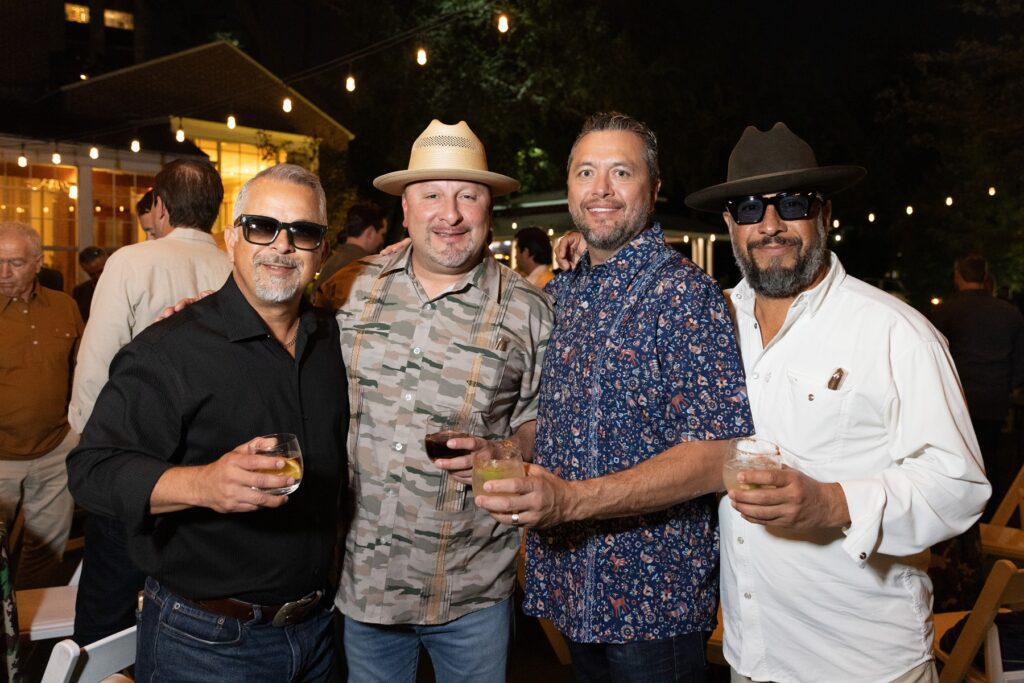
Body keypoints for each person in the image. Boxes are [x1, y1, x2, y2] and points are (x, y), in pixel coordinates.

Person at [683, 122, 990, 682]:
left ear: (824, 213)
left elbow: (959, 486)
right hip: (751, 656)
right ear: (729, 224)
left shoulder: (895, 332)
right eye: (749, 208)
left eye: (791, 203)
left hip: (862, 662)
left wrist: (834, 504)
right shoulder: (711, 325)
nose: (769, 225)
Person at [476, 112, 753, 681]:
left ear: (653, 187)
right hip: (574, 588)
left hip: (653, 607)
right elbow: (567, 417)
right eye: (586, 172)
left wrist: (571, 501)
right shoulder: (568, 289)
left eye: (621, 172)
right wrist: (506, 449)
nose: (600, 188)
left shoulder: (684, 294)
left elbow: (718, 457)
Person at [67, 164, 347, 681]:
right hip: (207, 643)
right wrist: (204, 485)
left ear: (322, 251)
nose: (282, 246)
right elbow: (92, 470)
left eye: (302, 232)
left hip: (318, 634)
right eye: (262, 227)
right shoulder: (170, 348)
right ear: (231, 239)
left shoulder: (334, 340)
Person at [329, 120, 553, 682]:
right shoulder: (347, 290)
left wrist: (505, 449)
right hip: (366, 585)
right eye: (431, 195)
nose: (449, 214)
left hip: (471, 589)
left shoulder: (529, 310)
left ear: (489, 210)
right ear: (405, 210)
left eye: (467, 196)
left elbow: (544, 420)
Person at [68, 158, 231, 645]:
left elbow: (97, 363)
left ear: (159, 205)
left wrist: (90, 447)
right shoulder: (234, 267)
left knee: (106, 610)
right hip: (209, 466)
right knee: (185, 606)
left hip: (136, 460)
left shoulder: (131, 262)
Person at [0, 222, 83, 589]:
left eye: (15, 262)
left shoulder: (64, 306)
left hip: (55, 450)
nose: (4, 272)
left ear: (37, 262)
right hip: (1, 456)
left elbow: (82, 369)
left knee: (47, 552)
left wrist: (77, 430)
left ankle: (28, 619)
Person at [932, 253, 1024, 518]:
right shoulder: (1010, 313)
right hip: (994, 396)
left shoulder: (947, 311)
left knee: (954, 458)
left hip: (957, 398)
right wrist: (1009, 387)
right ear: (985, 277)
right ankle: (990, 513)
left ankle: (957, 517)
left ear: (958, 276)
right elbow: (1020, 360)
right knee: (990, 456)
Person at [313, 202, 388, 300]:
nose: (382, 240)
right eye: (382, 234)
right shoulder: (364, 267)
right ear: (370, 233)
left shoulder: (335, 259)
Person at [72, 245, 107, 321]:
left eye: (100, 271)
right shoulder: (79, 292)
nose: (98, 277)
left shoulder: (121, 288)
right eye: (92, 274)